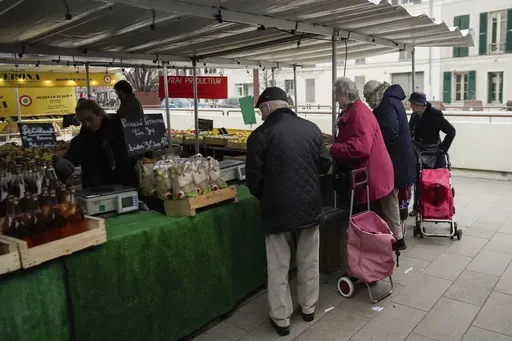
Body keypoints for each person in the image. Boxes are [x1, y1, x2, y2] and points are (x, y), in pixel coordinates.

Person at [246, 87, 331, 337]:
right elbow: (325, 163)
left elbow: (253, 180)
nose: (261, 115)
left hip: (276, 209)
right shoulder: (311, 128)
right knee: (308, 259)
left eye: (261, 110)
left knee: (278, 265)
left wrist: (266, 195)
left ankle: (281, 319)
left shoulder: (259, 135)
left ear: (269, 107)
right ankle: (308, 308)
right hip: (309, 205)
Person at [328, 77, 394, 235]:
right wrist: (335, 140)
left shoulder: (359, 114)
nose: (336, 100)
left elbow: (360, 148)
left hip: (370, 176)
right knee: (372, 220)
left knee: (367, 223)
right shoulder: (357, 110)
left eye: (336, 96)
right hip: (371, 173)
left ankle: (369, 254)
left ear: (345, 94)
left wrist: (332, 148)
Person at [363, 81, 416, 250]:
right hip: (403, 159)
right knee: (393, 198)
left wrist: (373, 142)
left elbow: (390, 133)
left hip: (395, 161)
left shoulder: (385, 104)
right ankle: (396, 233)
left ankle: (397, 239)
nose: (366, 101)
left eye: (367, 97)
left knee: (389, 199)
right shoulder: (393, 100)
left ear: (373, 95)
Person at [54, 100, 138, 189]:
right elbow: (72, 157)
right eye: (82, 121)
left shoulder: (120, 128)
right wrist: (62, 162)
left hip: (124, 184)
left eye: (90, 119)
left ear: (101, 114)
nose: (87, 124)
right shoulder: (82, 138)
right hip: (94, 188)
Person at [408, 92, 456, 215]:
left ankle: (436, 207)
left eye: (412, 104)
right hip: (419, 152)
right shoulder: (415, 115)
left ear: (418, 105)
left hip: (434, 153)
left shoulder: (435, 115)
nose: (411, 107)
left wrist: (442, 149)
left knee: (433, 182)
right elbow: (409, 132)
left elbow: (451, 131)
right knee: (418, 180)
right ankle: (418, 207)